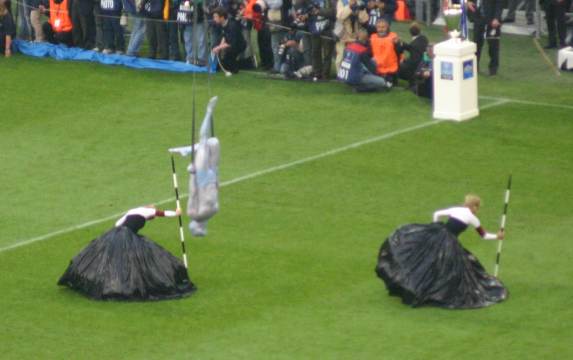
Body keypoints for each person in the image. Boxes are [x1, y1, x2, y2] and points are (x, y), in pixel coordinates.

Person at [375, 194, 508, 309]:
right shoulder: (473, 219)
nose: (477, 210)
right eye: (477, 207)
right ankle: (432, 291)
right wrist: (497, 236)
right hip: (449, 242)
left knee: (424, 259)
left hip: (438, 234)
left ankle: (413, 286)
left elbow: (437, 214)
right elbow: (483, 235)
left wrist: (435, 225)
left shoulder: (456, 209)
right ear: (474, 206)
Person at [58, 205, 196, 300]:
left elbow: (118, 224)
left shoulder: (132, 211)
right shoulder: (146, 210)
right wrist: (176, 213)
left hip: (116, 234)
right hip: (127, 236)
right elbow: (162, 213)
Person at [467, 0, 502, 76]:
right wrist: (467, 2)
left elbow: (499, 3)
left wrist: (496, 18)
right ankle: (475, 67)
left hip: (492, 19)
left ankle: (493, 70)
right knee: (476, 44)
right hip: (478, 18)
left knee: (493, 46)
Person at [212, 6, 246, 73]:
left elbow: (231, 43)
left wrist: (218, 48)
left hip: (238, 45)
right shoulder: (220, 24)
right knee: (225, 63)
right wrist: (217, 47)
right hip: (230, 45)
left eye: (216, 17)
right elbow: (223, 36)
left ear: (222, 17)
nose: (214, 19)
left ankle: (246, 64)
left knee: (231, 64)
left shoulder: (232, 25)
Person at [397, 22, 428, 87]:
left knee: (396, 68)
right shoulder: (423, 39)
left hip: (414, 68)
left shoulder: (414, 44)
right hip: (424, 64)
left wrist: (403, 62)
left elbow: (413, 60)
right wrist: (403, 44)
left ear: (410, 32)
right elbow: (411, 48)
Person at [369, 18, 399, 84]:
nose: (381, 29)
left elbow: (400, 51)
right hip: (376, 67)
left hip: (390, 68)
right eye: (379, 27)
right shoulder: (372, 37)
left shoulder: (393, 36)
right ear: (376, 28)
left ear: (387, 27)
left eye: (383, 27)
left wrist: (397, 43)